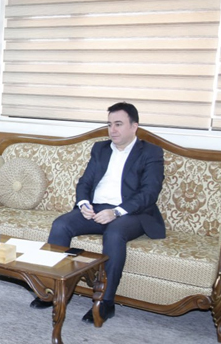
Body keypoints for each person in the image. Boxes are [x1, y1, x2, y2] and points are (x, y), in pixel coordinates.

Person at [32, 102, 166, 323]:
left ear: (134, 126)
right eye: (109, 124)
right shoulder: (100, 149)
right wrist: (84, 204)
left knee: (114, 233)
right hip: (96, 209)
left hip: (132, 213)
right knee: (61, 225)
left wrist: (116, 212)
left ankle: (105, 302)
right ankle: (53, 290)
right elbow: (85, 182)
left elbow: (149, 193)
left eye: (118, 124)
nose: (112, 130)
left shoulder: (150, 152)